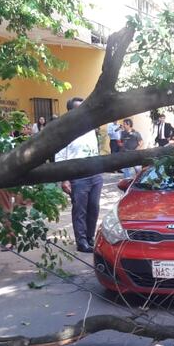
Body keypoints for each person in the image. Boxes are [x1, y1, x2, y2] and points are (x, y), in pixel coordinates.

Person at [55, 97, 103, 253]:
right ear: (72, 111)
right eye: (80, 108)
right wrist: (64, 179)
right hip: (78, 176)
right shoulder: (65, 130)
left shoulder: (89, 127)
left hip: (95, 174)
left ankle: (90, 238)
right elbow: (61, 156)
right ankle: (81, 241)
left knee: (94, 208)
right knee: (80, 210)